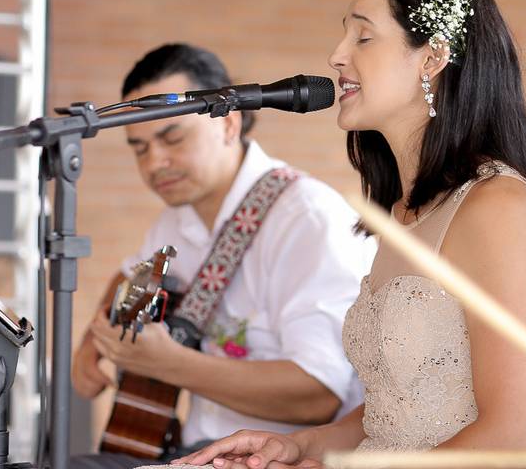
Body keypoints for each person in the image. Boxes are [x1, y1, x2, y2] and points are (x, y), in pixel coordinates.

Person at [173, 0, 526, 469]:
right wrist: (298, 445)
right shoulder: (400, 213)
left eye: (363, 38)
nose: (336, 57)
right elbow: (399, 410)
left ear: (433, 57)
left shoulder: (496, 203)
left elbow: (510, 432)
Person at [71, 43, 375, 468]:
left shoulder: (307, 219)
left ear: (229, 123)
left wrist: (173, 365)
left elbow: (320, 394)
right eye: (139, 148)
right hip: (192, 453)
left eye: (172, 137)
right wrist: (91, 343)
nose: (156, 162)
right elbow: (130, 276)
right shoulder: (175, 220)